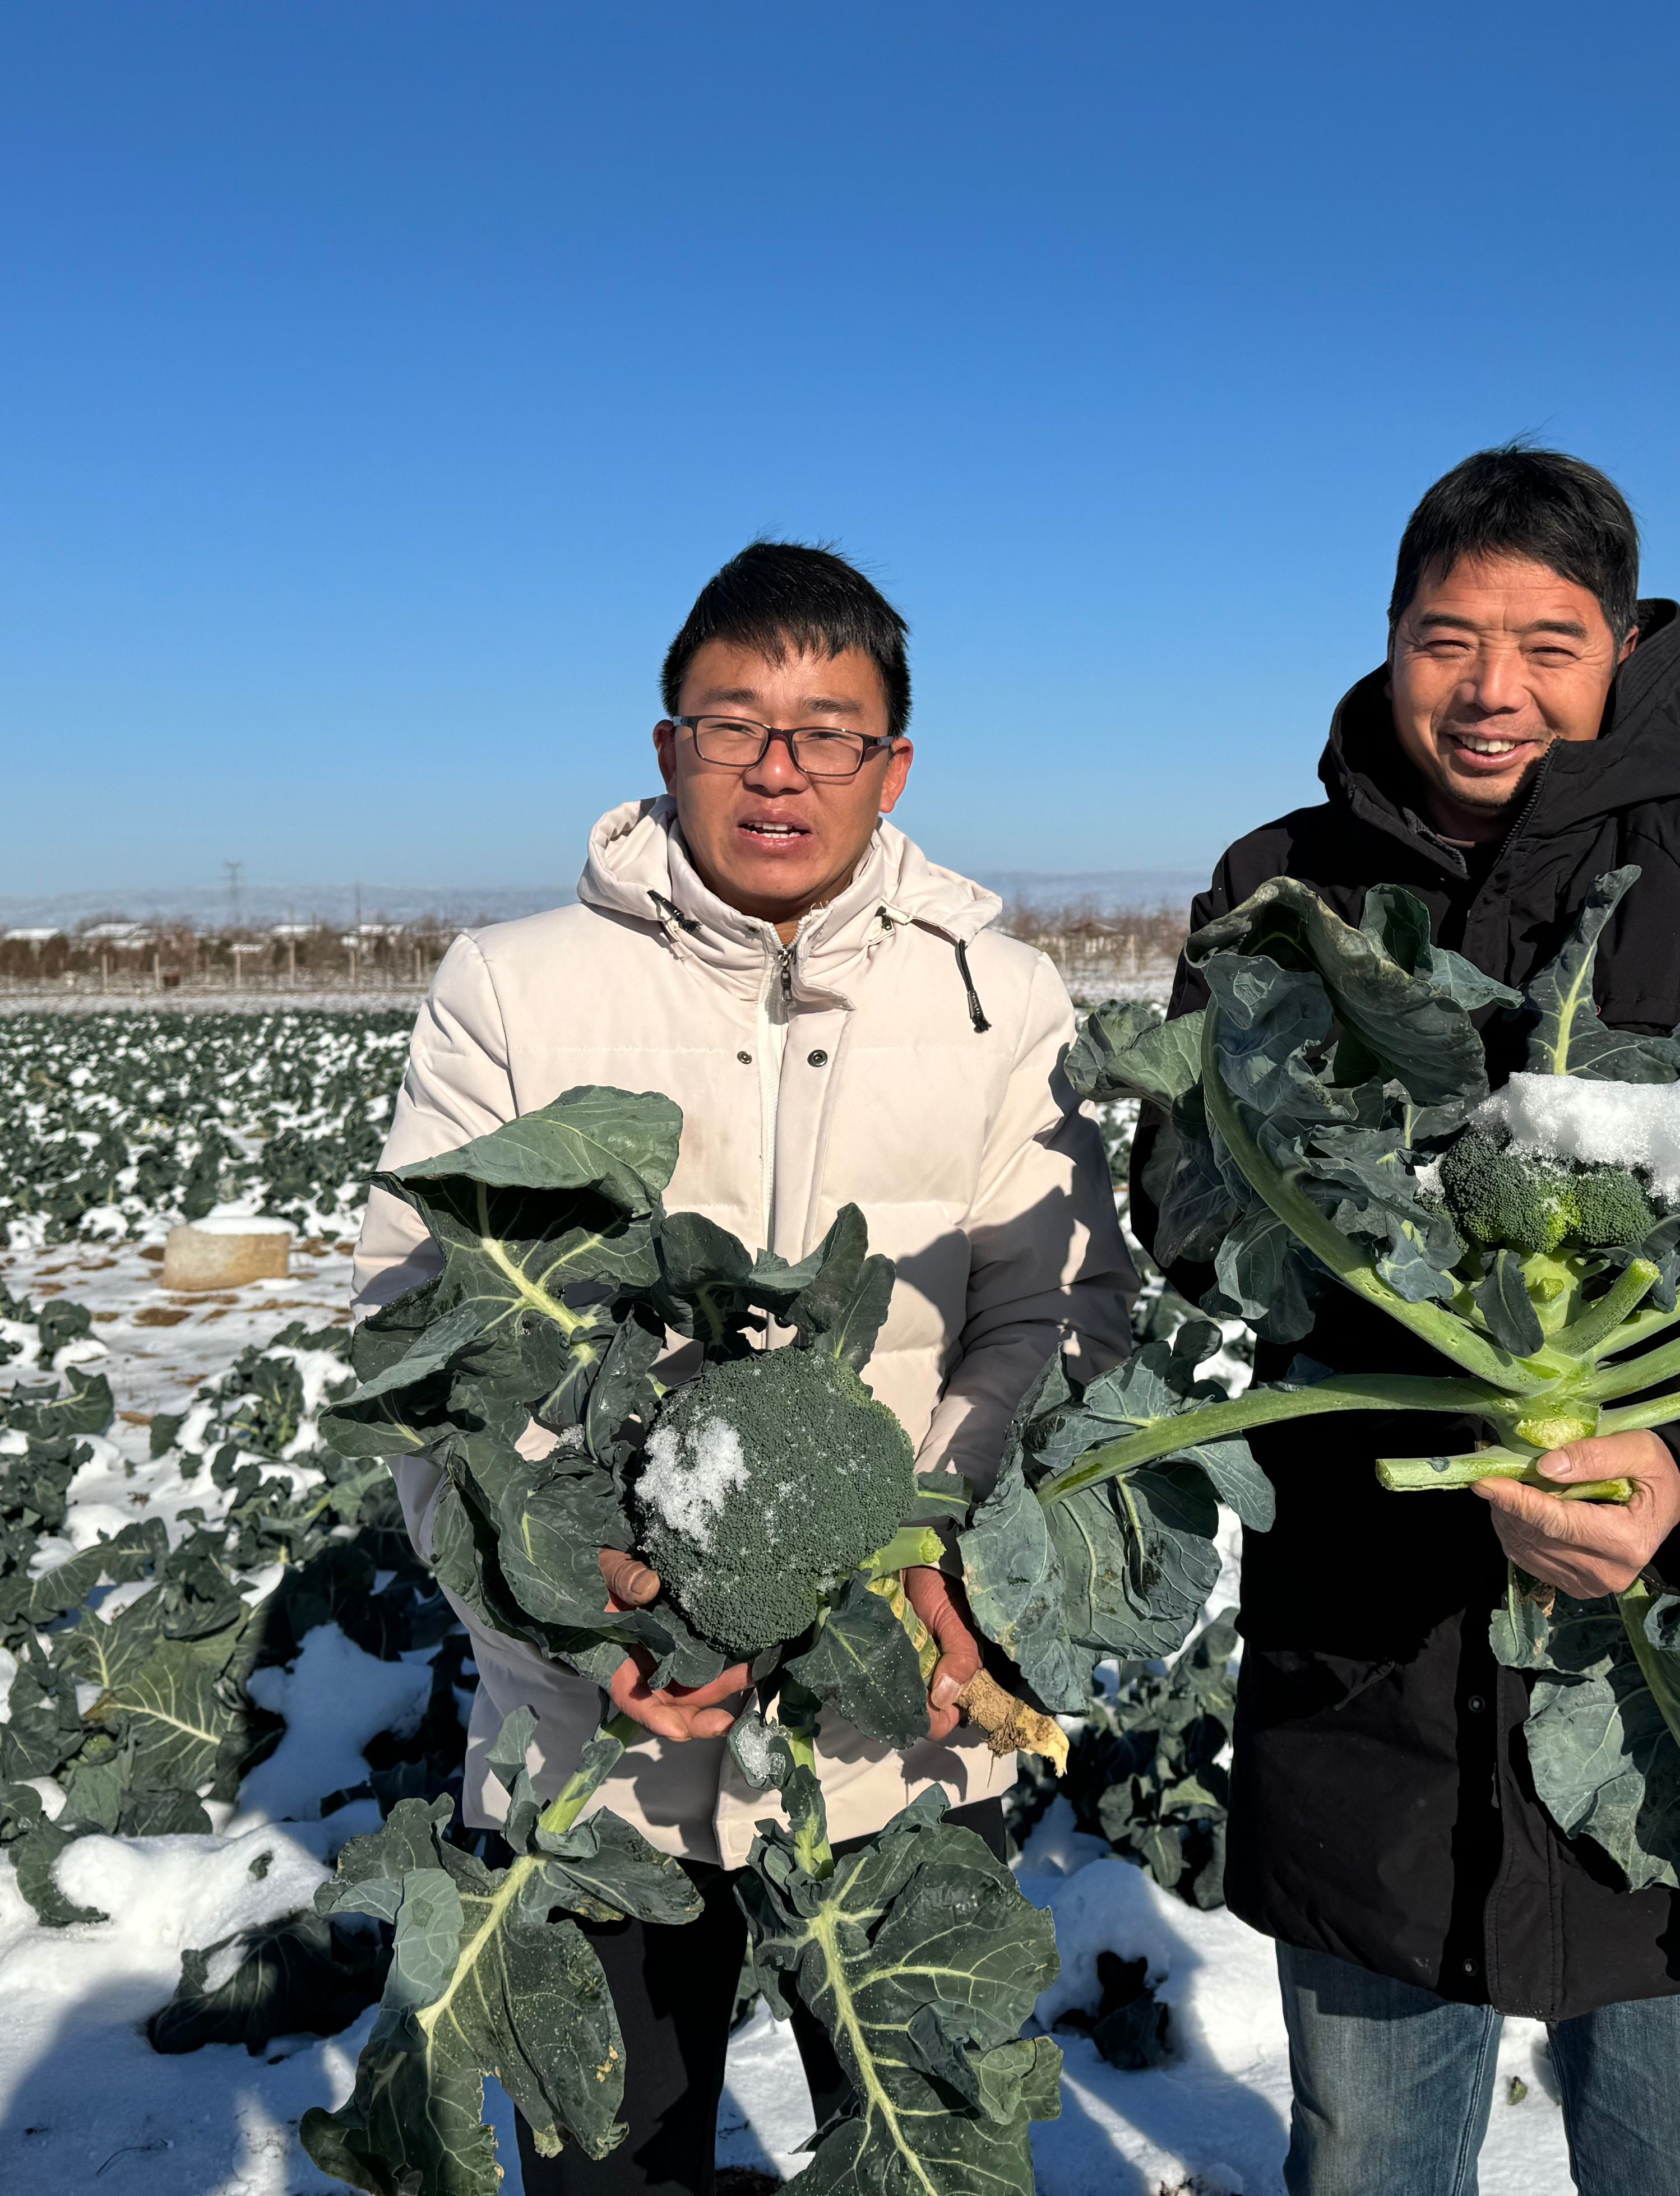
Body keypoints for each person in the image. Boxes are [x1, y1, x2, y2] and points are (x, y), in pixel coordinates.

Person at [1140, 446, 1680, 2196]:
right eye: (1446, 638)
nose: (1493, 691)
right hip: (1377, 1629)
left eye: (1548, 643)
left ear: (1622, 647)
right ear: (1391, 640)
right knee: (1373, 2149)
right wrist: (1387, 1292)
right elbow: (1188, 1193)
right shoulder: (1284, 884)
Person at [355, 540, 1135, 2195]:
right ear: (667, 748)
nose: (780, 766)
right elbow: (425, 1339)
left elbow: (1055, 1306)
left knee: (933, 2153)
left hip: (910, 1732)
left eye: (829, 728)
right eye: (734, 722)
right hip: (601, 1745)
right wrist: (581, 1610)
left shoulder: (1001, 994)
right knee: (610, 2164)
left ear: (893, 764)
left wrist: (945, 1539)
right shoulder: (510, 987)